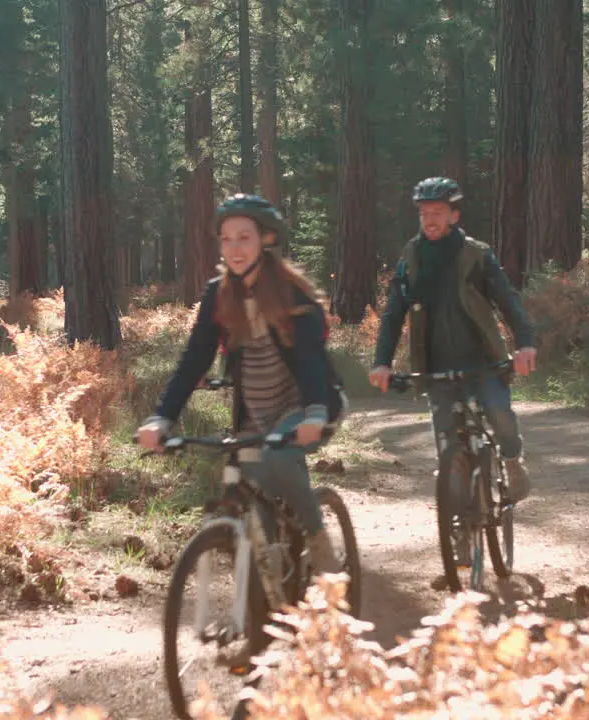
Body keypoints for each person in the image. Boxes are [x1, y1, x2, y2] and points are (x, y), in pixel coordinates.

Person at [137, 193, 344, 578]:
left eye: (244, 237)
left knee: (280, 458)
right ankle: (267, 586)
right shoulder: (218, 294)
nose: (234, 247)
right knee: (247, 483)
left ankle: (317, 538)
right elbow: (192, 363)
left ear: (266, 239)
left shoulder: (290, 291)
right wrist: (162, 418)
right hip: (254, 417)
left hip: (307, 406)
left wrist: (315, 412)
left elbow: (312, 359)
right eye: (227, 238)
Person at [368, 177, 538, 565]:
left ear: (454, 215)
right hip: (436, 368)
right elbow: (394, 313)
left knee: (499, 415)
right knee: (449, 451)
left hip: (484, 362)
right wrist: (382, 362)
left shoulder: (476, 255)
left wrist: (524, 343)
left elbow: (507, 300)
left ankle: (511, 462)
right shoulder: (411, 258)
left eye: (438, 213)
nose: (430, 220)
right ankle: (461, 531)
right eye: (424, 214)